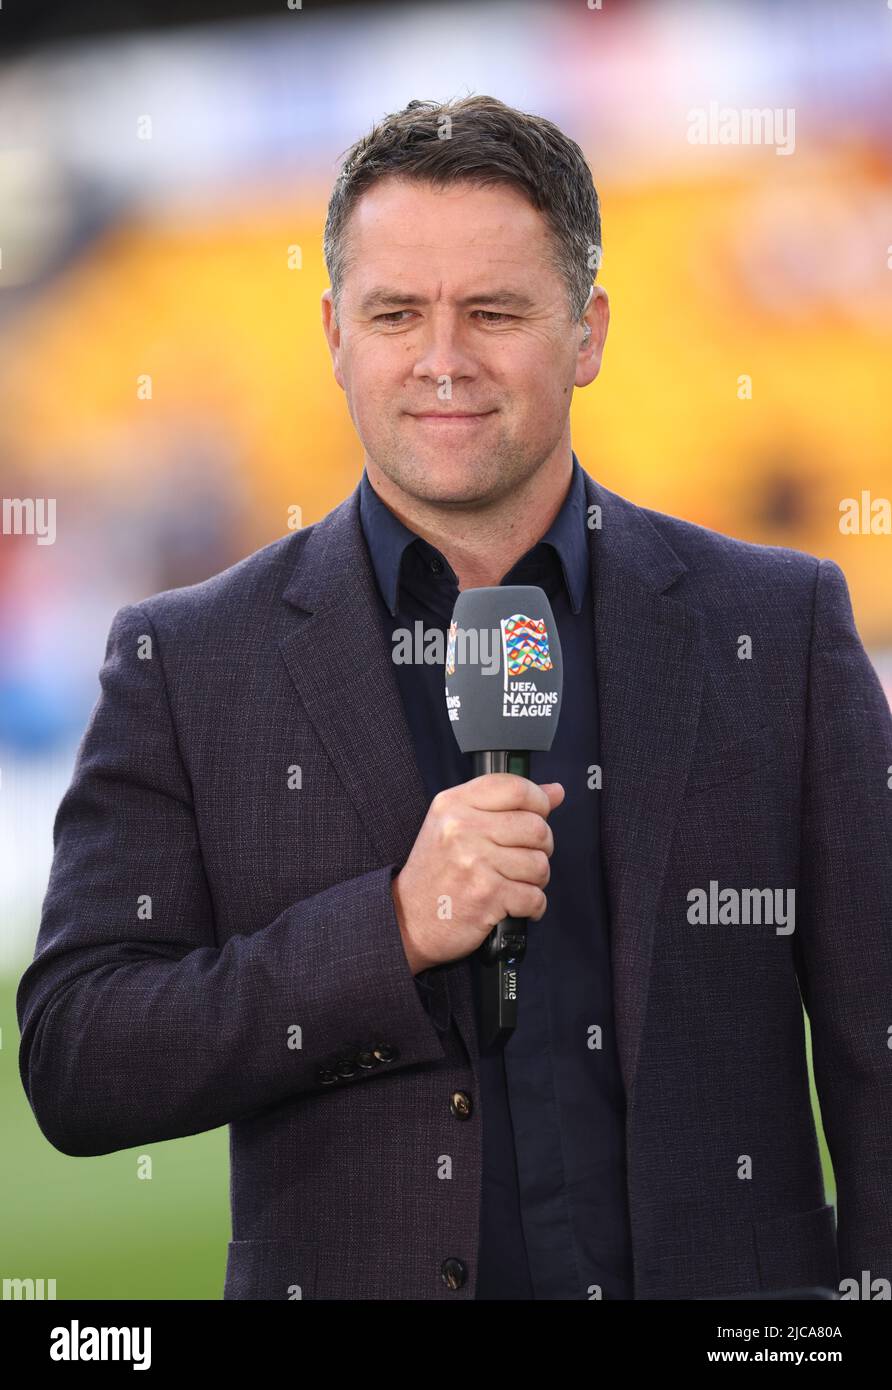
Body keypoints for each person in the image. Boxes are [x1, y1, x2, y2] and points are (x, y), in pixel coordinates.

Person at [17, 95, 892, 1301]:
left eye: (492, 311)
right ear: (333, 334)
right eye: (394, 314)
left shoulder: (776, 626)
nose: (441, 360)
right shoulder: (186, 658)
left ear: (585, 333)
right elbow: (79, 1057)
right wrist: (390, 931)